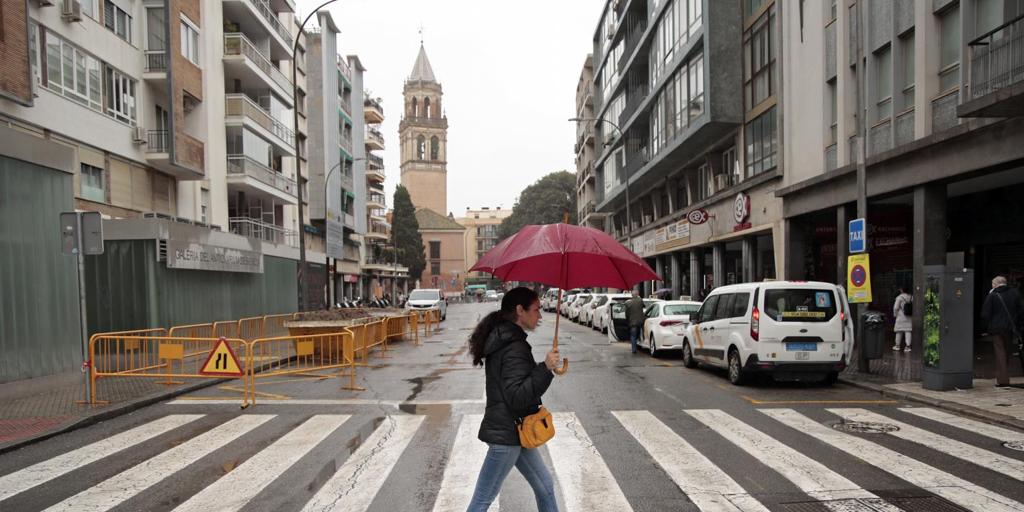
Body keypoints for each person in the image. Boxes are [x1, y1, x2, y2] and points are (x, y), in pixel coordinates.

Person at [467, 287, 561, 512]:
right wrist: (546, 368)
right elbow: (517, 396)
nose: (540, 315)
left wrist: (543, 369)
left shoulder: (508, 339)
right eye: (536, 310)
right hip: (507, 437)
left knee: (545, 487)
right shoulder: (513, 346)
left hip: (516, 431)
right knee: (481, 501)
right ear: (520, 310)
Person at [981, 276, 1023, 388]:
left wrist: (986, 327)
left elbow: (985, 314)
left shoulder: (992, 295)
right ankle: (1004, 374)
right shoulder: (1015, 293)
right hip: (1010, 328)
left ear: (995, 284)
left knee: (1000, 352)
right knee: (1007, 351)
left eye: (992, 284)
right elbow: (1020, 311)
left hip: (996, 329)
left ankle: (1003, 380)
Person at [625, 289, 646, 354]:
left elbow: (627, 314)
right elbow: (643, 306)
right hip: (640, 322)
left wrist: (628, 320)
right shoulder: (640, 300)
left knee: (633, 336)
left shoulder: (628, 303)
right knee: (639, 334)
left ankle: (634, 349)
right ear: (637, 294)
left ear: (632, 295)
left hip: (632, 322)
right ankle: (641, 344)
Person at [893, 287, 913, 352]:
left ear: (902, 290)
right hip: (909, 316)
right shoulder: (911, 297)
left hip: (900, 316)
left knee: (899, 331)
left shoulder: (899, 298)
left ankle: (897, 346)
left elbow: (896, 308)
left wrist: (895, 315)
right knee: (908, 331)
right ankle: (907, 347)